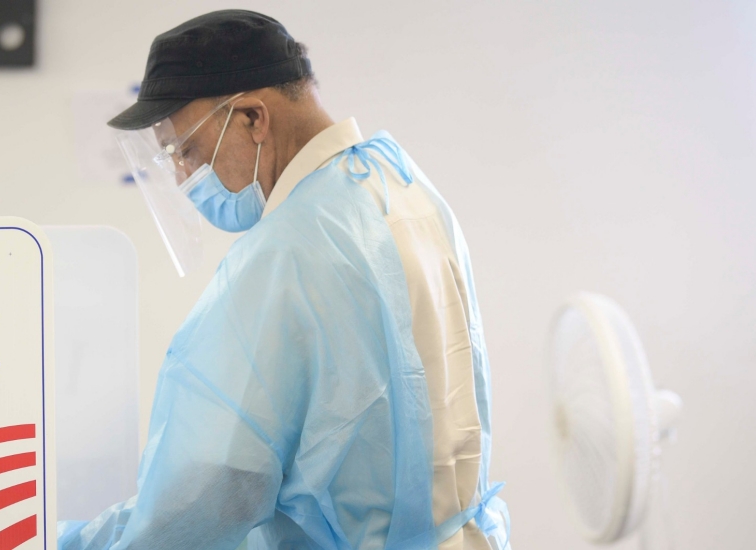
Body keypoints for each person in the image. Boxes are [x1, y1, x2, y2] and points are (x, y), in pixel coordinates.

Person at [59, 9, 510, 550]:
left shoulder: (288, 250)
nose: (183, 177)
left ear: (253, 118)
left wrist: (70, 542)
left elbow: (209, 493)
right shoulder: (404, 187)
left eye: (188, 151)